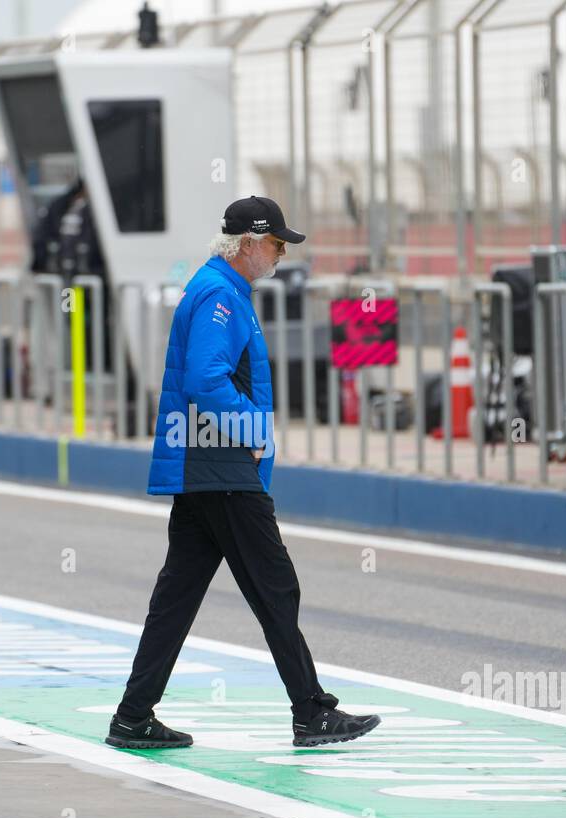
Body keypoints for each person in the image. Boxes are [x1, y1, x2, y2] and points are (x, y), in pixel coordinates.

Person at [105, 196, 381, 750]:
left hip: (204, 468)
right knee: (276, 588)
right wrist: (253, 431)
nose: (281, 253)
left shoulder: (221, 290)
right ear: (250, 244)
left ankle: (133, 716)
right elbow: (206, 381)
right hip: (224, 469)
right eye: (277, 243)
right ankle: (311, 712)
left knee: (177, 599)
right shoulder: (219, 297)